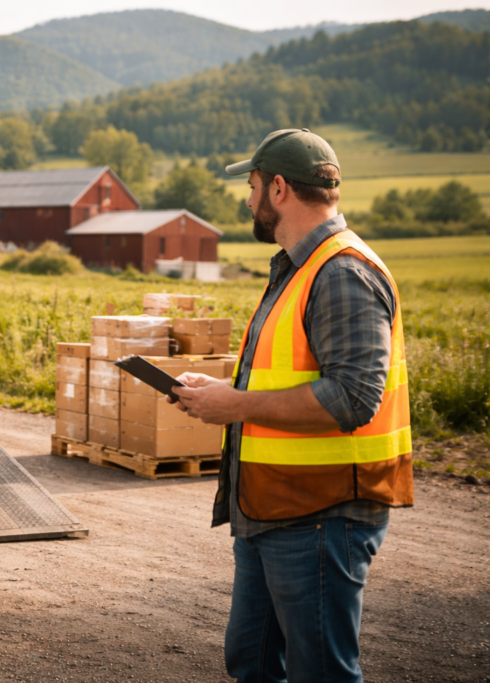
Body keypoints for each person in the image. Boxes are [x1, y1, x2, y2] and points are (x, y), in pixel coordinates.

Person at [169, 129, 413, 682]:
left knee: (320, 672)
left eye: (251, 186)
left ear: (278, 188)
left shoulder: (341, 272)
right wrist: (218, 394)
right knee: (251, 662)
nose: (246, 199)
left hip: (320, 516)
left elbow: (353, 397)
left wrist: (236, 406)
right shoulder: (299, 266)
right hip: (273, 506)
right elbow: (291, 369)